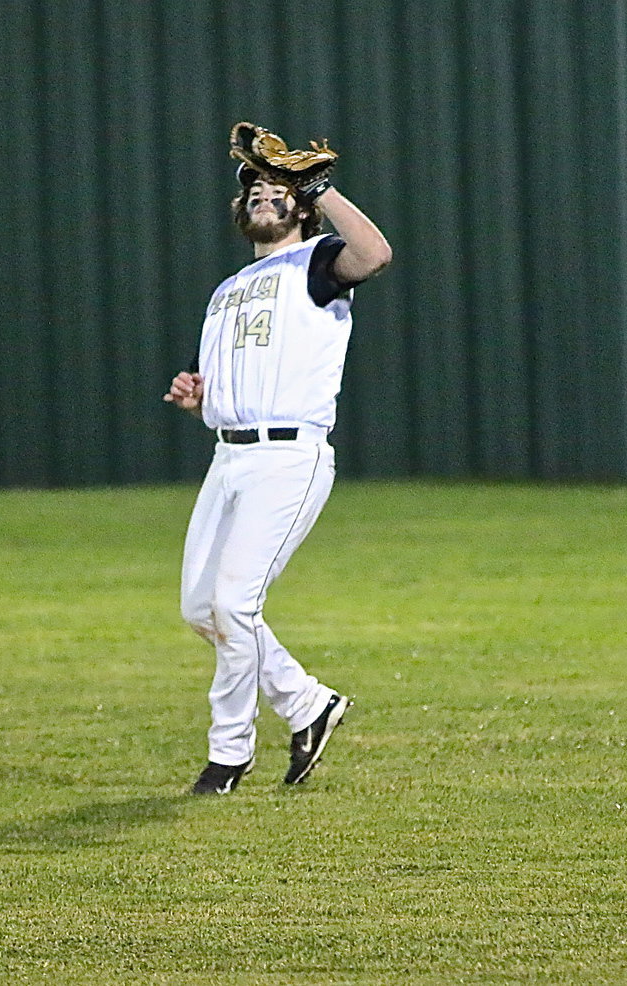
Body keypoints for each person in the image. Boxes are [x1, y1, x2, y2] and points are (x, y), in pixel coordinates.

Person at [163, 127, 392, 795]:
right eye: (256, 192)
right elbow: (230, 392)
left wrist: (322, 189)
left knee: (235, 604)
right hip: (228, 458)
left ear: (300, 209)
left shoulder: (317, 262)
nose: (265, 196)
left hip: (288, 457)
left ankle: (228, 755)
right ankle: (307, 704)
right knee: (202, 608)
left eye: (279, 191)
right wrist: (201, 397)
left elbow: (375, 254)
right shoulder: (227, 289)